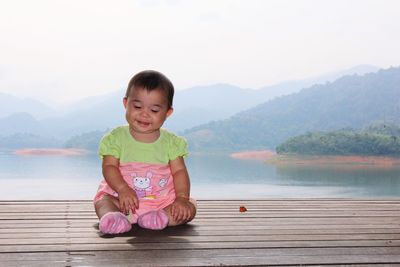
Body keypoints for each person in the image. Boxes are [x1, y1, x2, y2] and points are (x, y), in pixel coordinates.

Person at [94, 70, 196, 234]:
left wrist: (182, 198)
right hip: (122, 199)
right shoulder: (116, 138)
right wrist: (122, 189)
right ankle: (113, 217)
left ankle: (161, 217)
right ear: (125, 103)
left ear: (167, 113)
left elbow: (179, 171)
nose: (144, 114)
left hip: (161, 201)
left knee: (189, 208)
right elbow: (109, 167)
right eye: (137, 106)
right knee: (103, 200)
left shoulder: (172, 143)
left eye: (154, 110)